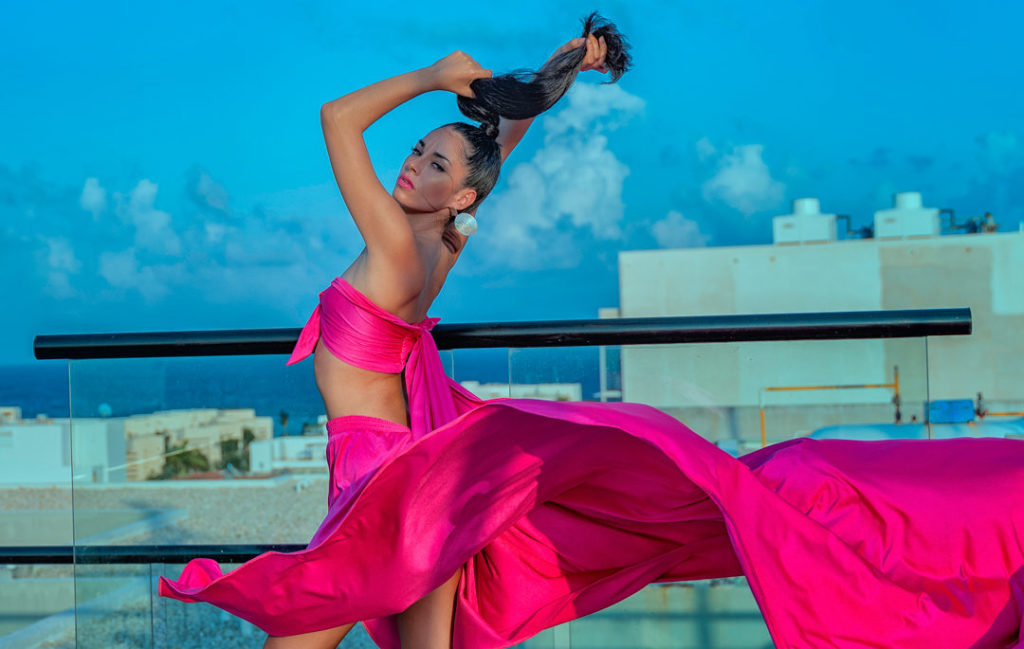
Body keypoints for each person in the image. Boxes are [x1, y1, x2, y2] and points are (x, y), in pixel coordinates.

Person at [160, 13, 1024, 649]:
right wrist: (570, 62)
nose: (410, 164)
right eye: (417, 151)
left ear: (458, 196)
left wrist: (433, 74)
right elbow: (507, 136)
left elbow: (334, 120)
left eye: (432, 163)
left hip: (387, 474)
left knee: (308, 622)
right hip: (415, 468)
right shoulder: (441, 245)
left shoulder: (394, 246)